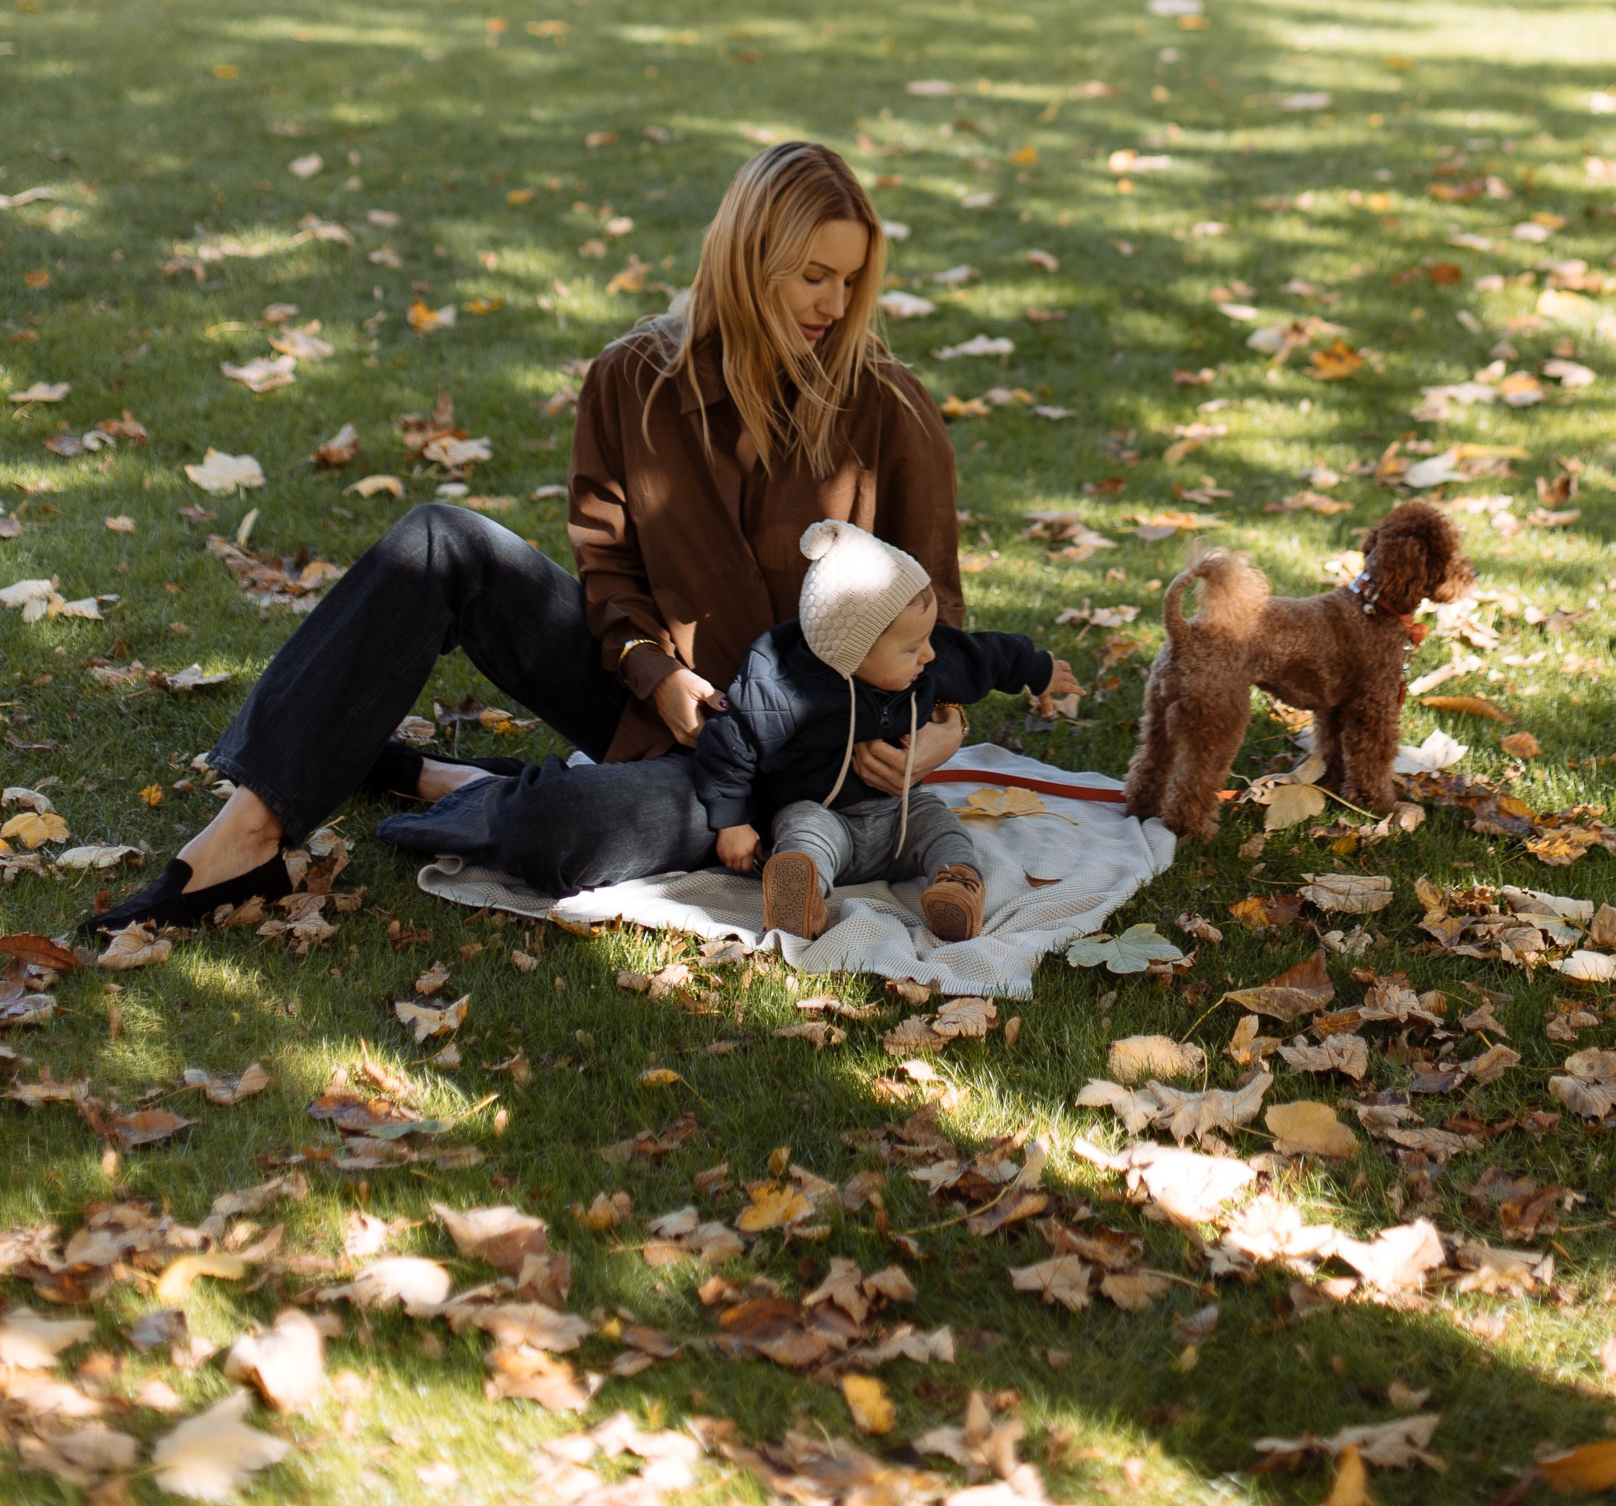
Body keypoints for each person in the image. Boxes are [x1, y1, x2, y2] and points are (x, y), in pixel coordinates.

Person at [85, 141, 968, 934]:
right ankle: (246, 834)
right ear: (748, 258)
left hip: (790, 768)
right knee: (436, 539)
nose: (835, 303)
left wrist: (936, 735)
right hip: (654, 702)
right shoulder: (636, 379)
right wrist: (654, 675)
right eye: (814, 275)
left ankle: (447, 782)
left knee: (563, 830)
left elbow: (943, 626)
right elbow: (609, 568)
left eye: (851, 280)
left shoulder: (888, 406)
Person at [695, 520, 1073, 944]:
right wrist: (732, 822)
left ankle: (955, 885)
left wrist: (1038, 670)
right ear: (850, 654)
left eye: (926, 640)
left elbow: (980, 655)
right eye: (912, 648)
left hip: (899, 815)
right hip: (823, 814)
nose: (928, 654)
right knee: (801, 831)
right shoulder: (785, 690)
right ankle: (799, 895)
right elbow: (729, 742)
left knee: (939, 825)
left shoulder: (923, 665)